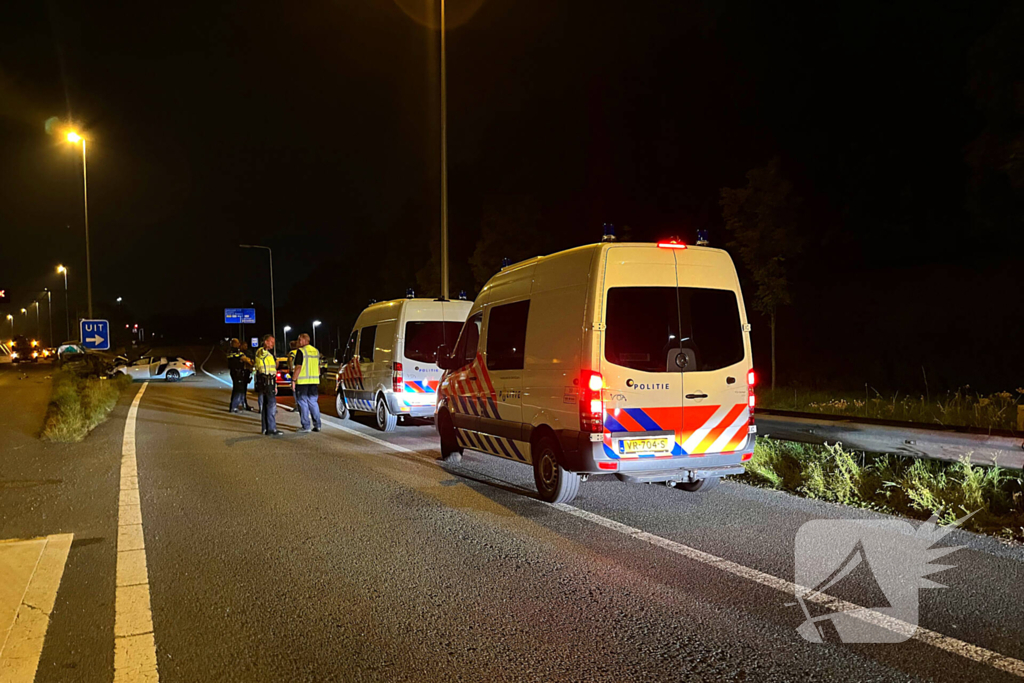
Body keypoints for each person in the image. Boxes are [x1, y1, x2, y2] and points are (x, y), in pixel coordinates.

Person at [291, 332, 322, 432]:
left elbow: (298, 367)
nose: (299, 342)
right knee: (313, 402)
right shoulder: (315, 351)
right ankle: (317, 425)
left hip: (303, 382)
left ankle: (306, 426)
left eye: (300, 340)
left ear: (304, 340)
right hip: (313, 381)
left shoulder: (301, 351)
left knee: (302, 403)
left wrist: (293, 380)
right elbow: (318, 367)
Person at [254, 334, 282, 436]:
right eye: (271, 342)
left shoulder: (269, 355)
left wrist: (275, 385)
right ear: (266, 342)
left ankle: (265, 428)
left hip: (269, 382)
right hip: (266, 382)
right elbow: (262, 353)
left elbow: (273, 369)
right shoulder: (261, 351)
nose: (273, 344)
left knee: (266, 406)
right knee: (271, 406)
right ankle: (271, 429)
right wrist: (265, 347)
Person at [227, 338, 255, 413]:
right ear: (234, 344)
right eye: (237, 343)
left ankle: (241, 405)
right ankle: (234, 407)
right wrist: (252, 361)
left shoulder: (230, 352)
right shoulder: (237, 353)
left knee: (239, 389)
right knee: (238, 390)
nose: (239, 344)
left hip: (235, 372)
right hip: (238, 373)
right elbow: (247, 360)